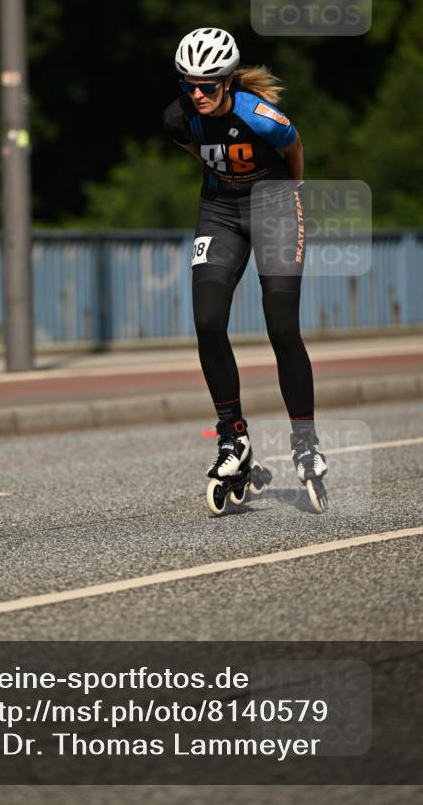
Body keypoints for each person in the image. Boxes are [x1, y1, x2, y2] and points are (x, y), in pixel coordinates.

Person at [162, 27, 328, 511]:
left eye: (207, 85)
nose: (196, 94)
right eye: (188, 84)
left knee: (280, 325)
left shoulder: (263, 118)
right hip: (219, 210)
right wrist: (225, 180)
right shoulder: (178, 118)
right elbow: (202, 156)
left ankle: (305, 441)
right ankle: (233, 438)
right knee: (208, 322)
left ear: (229, 82)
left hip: (274, 204)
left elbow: (294, 150)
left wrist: (290, 196)